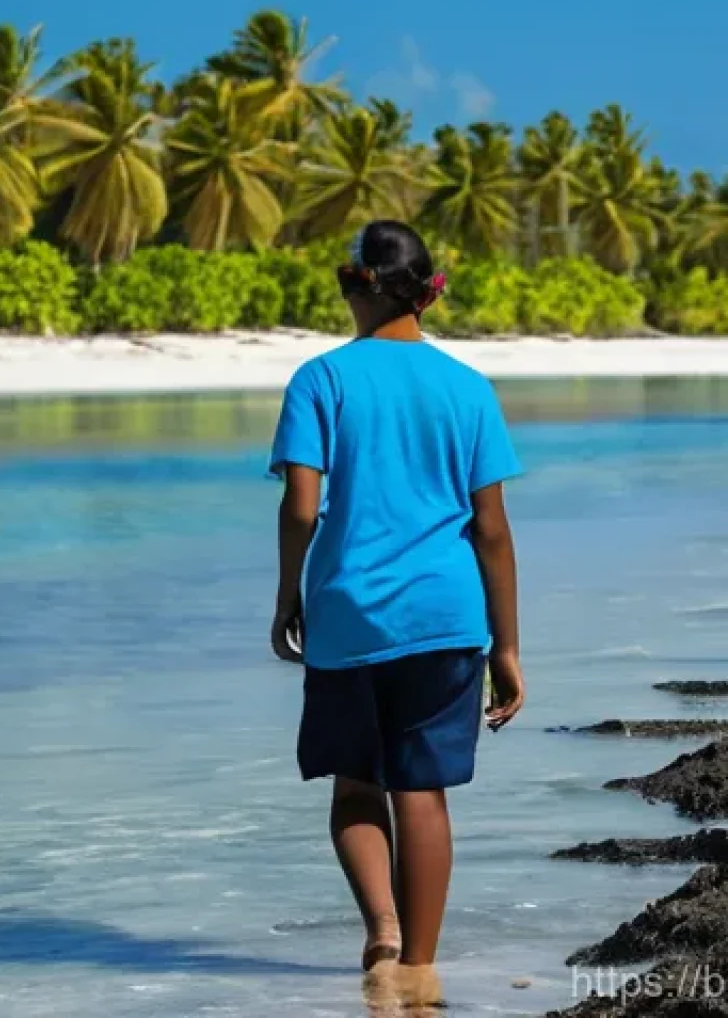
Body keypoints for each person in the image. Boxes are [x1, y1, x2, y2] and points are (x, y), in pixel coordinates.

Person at [268, 220, 525, 973]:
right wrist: (507, 647)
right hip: (447, 616)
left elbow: (301, 508)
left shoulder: (321, 379)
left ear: (356, 288)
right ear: (428, 296)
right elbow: (491, 528)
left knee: (356, 787)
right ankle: (420, 971)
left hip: (349, 613)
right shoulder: (468, 388)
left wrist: (288, 596)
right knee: (423, 793)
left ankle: (381, 929)